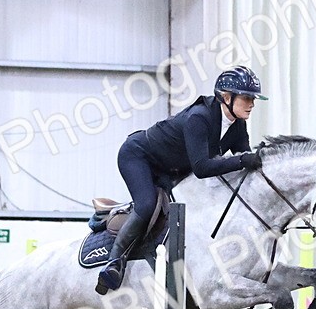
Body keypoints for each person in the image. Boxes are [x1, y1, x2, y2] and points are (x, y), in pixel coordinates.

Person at [96, 65, 267, 294]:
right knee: (147, 205)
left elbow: (242, 162)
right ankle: (114, 262)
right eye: (247, 98)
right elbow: (202, 167)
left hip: (172, 169)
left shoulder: (238, 126)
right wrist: (244, 160)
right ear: (226, 97)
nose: (252, 104)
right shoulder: (199, 118)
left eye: (253, 98)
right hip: (139, 157)